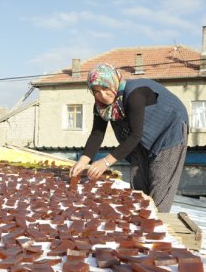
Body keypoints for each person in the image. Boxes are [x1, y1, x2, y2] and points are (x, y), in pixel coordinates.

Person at [69, 63, 189, 212]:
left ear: (113, 83)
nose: (102, 95)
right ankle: (140, 223)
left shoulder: (134, 95)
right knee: (139, 189)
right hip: (140, 140)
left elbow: (135, 135)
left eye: (105, 88)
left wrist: (105, 162)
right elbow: (97, 133)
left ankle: (156, 227)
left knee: (159, 187)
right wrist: (83, 160)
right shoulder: (100, 106)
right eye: (96, 91)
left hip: (169, 131)